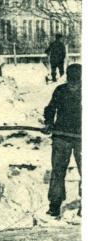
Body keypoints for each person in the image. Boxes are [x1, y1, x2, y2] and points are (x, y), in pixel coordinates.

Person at [44, 63, 81, 218]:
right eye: (71, 79)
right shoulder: (60, 90)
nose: (73, 83)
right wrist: (49, 123)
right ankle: (54, 205)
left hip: (81, 138)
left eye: (76, 79)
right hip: (61, 137)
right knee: (58, 172)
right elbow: (51, 108)